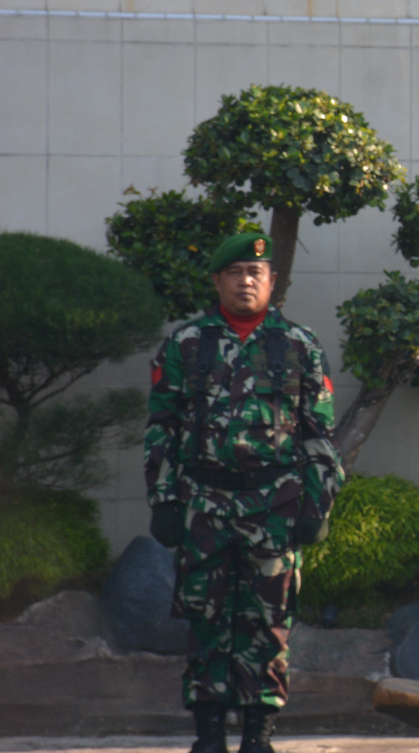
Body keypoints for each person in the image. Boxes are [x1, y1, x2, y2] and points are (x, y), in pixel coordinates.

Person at [144, 233, 344, 753]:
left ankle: (259, 733)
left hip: (273, 506)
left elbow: (317, 431)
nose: (246, 280)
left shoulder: (300, 344)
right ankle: (208, 732)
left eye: (256, 272)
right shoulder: (186, 344)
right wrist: (162, 499)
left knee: (268, 622)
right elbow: (161, 426)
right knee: (205, 617)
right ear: (217, 281)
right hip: (203, 503)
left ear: (272, 282)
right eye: (235, 272)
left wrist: (317, 503)